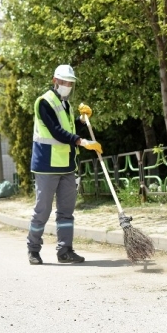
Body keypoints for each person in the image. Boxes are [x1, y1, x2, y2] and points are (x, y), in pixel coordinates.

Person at [27, 64, 102, 265]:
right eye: (64, 82)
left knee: (66, 212)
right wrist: (81, 141)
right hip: (46, 165)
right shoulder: (44, 102)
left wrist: (81, 119)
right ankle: (33, 249)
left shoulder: (66, 105)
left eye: (70, 83)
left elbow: (67, 126)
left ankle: (65, 251)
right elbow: (56, 131)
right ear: (55, 81)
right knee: (42, 210)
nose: (67, 85)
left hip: (67, 165)